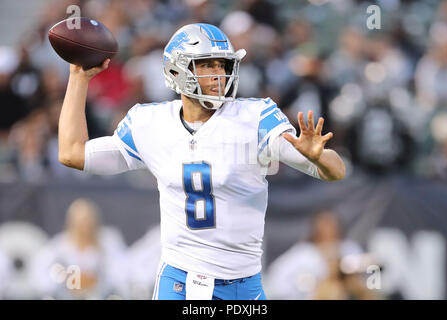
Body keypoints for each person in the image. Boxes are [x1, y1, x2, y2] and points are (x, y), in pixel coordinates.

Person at [58, 23, 345, 300]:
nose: (219, 73)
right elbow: (72, 153)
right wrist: (78, 77)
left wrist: (319, 157)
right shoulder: (149, 123)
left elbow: (335, 172)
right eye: (208, 64)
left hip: (243, 283)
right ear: (176, 69)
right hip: (180, 280)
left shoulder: (254, 117)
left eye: (223, 65)